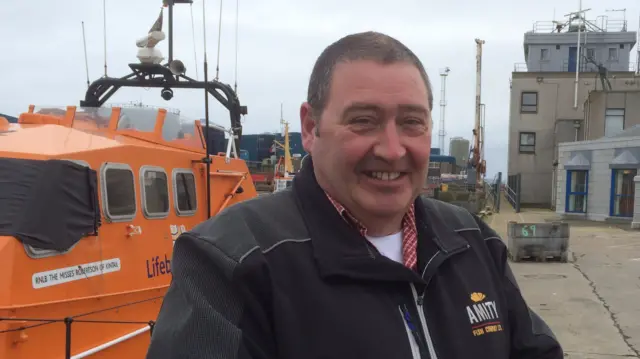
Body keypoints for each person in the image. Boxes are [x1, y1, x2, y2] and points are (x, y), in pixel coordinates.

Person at [146, 31, 563, 359]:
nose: (393, 149)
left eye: (412, 122)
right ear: (311, 128)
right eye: (363, 120)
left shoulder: (473, 241)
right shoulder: (231, 263)